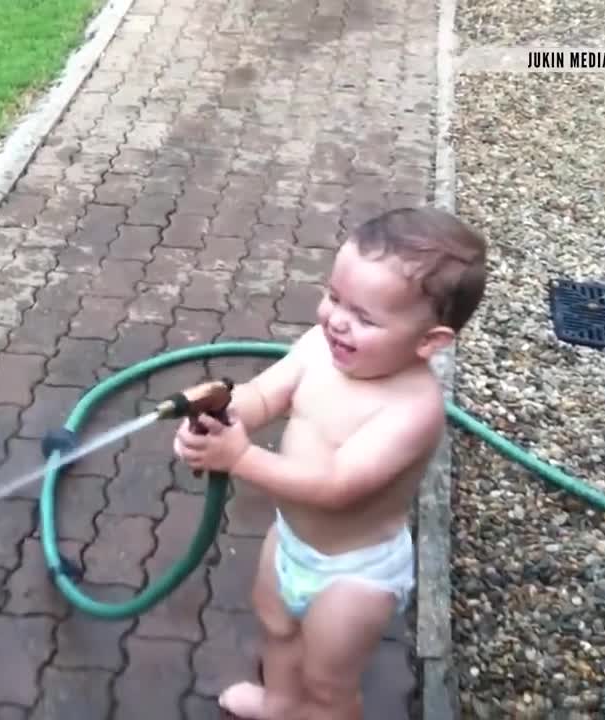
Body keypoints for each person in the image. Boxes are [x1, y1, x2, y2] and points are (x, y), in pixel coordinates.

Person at [174, 207, 488, 719]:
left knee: (328, 684)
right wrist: (219, 416)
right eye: (334, 297)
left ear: (429, 342)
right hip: (291, 542)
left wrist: (240, 457)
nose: (336, 319)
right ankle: (278, 704)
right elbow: (263, 395)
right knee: (276, 633)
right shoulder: (319, 347)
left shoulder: (412, 409)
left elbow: (337, 486)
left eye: (365, 317)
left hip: (353, 576)